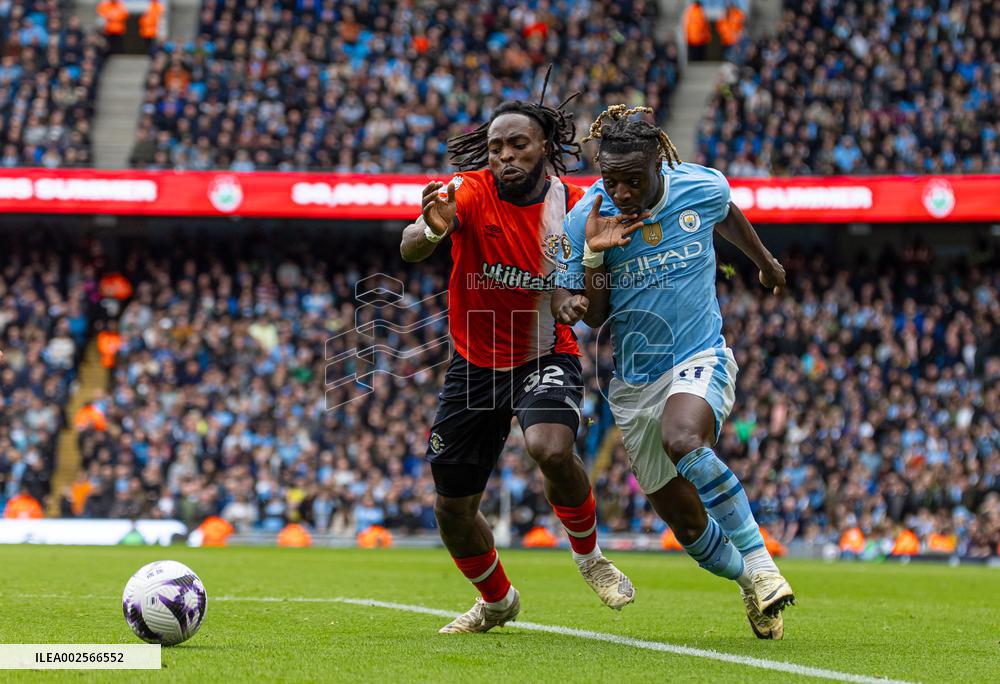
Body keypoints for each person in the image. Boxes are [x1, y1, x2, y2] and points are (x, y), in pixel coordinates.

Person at [553, 104, 795, 639]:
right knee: (685, 523)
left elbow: (725, 209)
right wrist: (593, 257)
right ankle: (747, 583)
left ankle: (761, 564)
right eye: (611, 179)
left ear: (660, 164)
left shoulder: (699, 186)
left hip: (699, 353)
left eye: (633, 180)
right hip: (636, 383)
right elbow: (590, 315)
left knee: (684, 437)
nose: (622, 192)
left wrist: (763, 260)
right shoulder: (586, 217)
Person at [400, 91, 635, 633]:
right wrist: (431, 229)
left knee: (549, 447)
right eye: (495, 147)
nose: (504, 156)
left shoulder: (575, 209)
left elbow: (586, 300)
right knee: (452, 512)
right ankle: (498, 601)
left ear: (545, 147)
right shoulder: (468, 191)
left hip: (543, 354)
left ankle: (590, 557)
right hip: (473, 365)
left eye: (518, 144)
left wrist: (575, 295)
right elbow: (412, 244)